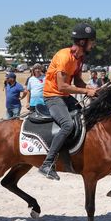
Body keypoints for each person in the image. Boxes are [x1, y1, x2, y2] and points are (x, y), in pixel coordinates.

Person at [39, 23, 98, 180]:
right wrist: (87, 91)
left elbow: (77, 81)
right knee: (68, 124)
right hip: (53, 96)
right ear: (83, 42)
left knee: (85, 117)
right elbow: (62, 86)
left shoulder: (80, 58)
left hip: (64, 96)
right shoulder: (64, 57)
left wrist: (93, 90)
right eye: (92, 41)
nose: (93, 45)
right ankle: (47, 163)